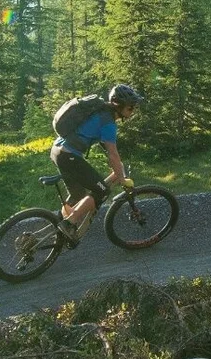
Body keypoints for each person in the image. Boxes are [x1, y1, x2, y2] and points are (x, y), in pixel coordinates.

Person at [51, 84, 145, 244]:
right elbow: (113, 153)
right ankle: (69, 223)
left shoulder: (99, 110)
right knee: (101, 191)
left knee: (78, 196)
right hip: (69, 156)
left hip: (57, 151)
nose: (133, 111)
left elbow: (103, 145)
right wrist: (122, 178)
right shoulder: (108, 122)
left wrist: (118, 168)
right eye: (130, 108)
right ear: (119, 106)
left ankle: (58, 231)